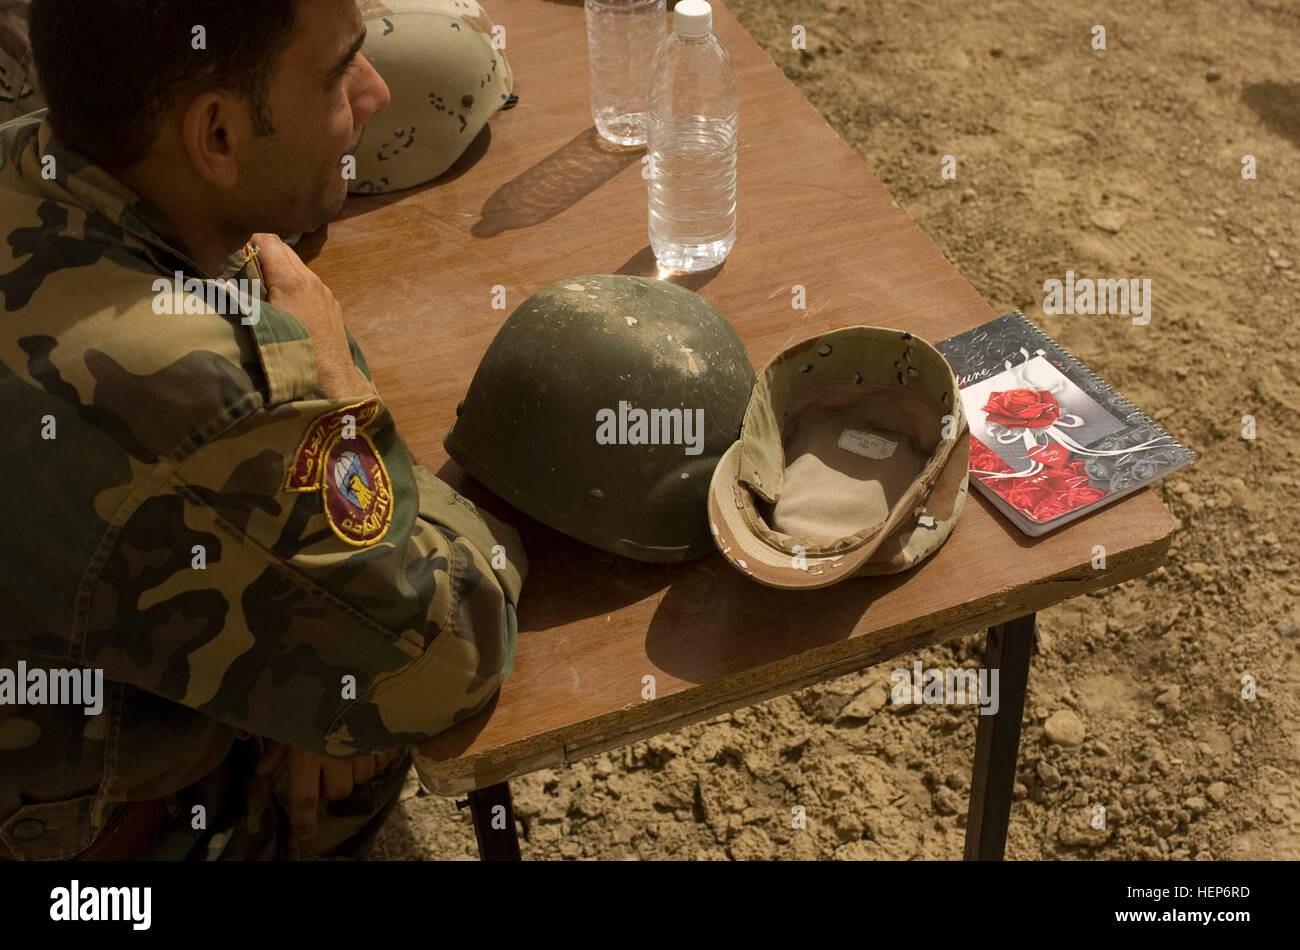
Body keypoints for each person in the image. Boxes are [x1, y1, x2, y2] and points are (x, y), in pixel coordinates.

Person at [0, 0, 526, 860]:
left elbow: (242, 253)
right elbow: (450, 649)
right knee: (366, 748)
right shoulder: (195, 401)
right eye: (336, 74)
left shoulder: (34, 153)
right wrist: (343, 390)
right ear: (215, 137)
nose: (376, 91)